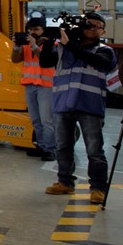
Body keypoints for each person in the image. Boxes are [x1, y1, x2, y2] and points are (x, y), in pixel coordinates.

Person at [45, 12, 116, 205]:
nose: (92, 28)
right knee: (62, 146)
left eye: (97, 26)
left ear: (103, 30)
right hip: (63, 103)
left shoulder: (105, 50)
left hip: (89, 105)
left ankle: (98, 188)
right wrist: (48, 41)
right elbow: (45, 62)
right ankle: (65, 181)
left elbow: (100, 63)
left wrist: (69, 45)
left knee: (94, 150)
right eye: (88, 25)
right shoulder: (63, 49)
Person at [11, 16, 56, 160]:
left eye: (36, 29)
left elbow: (45, 60)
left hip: (46, 86)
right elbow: (15, 59)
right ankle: (42, 146)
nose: (32, 32)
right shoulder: (26, 45)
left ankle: (50, 149)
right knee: (36, 120)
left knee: (47, 120)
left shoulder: (50, 44)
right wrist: (16, 46)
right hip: (30, 85)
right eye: (30, 29)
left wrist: (34, 46)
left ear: (43, 30)